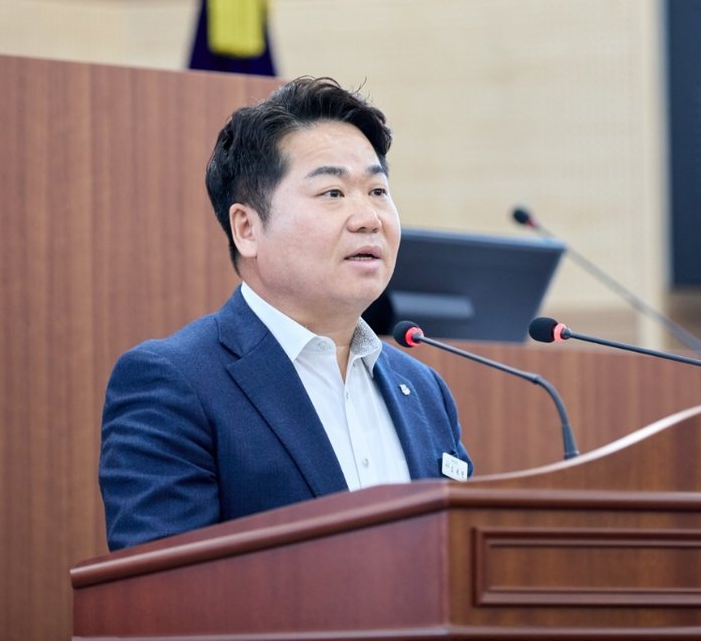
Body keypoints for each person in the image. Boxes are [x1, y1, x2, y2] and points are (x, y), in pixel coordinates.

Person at [99, 77, 472, 551]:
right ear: (247, 228)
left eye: (378, 191)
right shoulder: (174, 383)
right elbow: (163, 586)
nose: (368, 218)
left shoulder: (423, 389)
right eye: (333, 193)